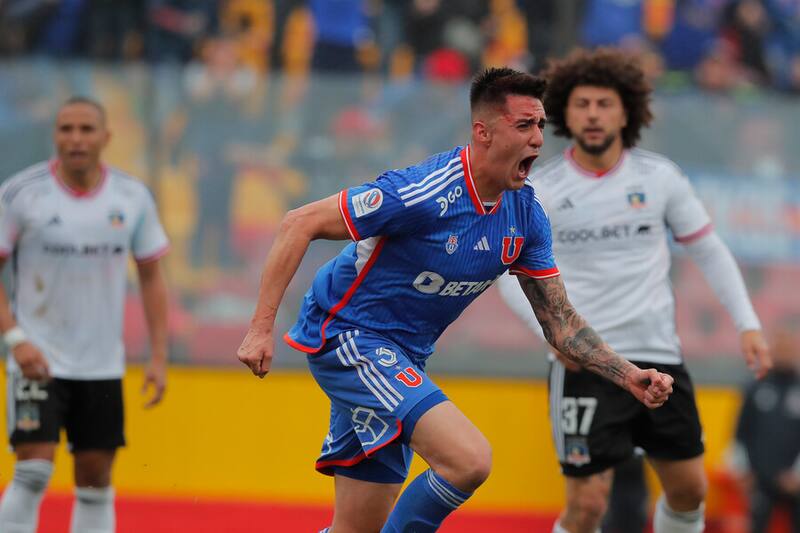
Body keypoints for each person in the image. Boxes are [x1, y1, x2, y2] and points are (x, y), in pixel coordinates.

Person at [236, 67, 675, 533]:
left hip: (405, 358)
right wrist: (260, 329)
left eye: (541, 126)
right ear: (483, 132)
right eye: (524, 125)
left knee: (357, 528)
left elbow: (561, 324)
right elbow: (297, 223)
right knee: (468, 461)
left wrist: (628, 375)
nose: (538, 140)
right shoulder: (421, 191)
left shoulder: (525, 215)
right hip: (349, 337)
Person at [496, 48, 771, 533]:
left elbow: (709, 249)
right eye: (582, 104)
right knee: (587, 505)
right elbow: (506, 273)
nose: (594, 114)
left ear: (626, 111)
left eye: (605, 103)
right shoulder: (543, 190)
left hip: (659, 355)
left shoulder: (658, 177)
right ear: (565, 112)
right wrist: (556, 337)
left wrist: (747, 324)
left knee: (689, 490)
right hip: (587, 360)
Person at [0, 96, 170, 533]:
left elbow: (151, 277)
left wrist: (158, 356)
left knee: (95, 479)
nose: (75, 139)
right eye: (66, 129)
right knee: (32, 472)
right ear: (54, 135)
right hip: (36, 358)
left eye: (85, 129)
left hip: (101, 363)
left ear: (106, 137)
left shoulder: (132, 198)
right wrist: (15, 339)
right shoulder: (21, 194)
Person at [731, 325, 800, 533]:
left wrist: (797, 475)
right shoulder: (755, 387)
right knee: (757, 526)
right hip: (760, 480)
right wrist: (743, 470)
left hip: (795, 481)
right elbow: (741, 431)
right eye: (779, 346)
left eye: (788, 347)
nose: (783, 351)